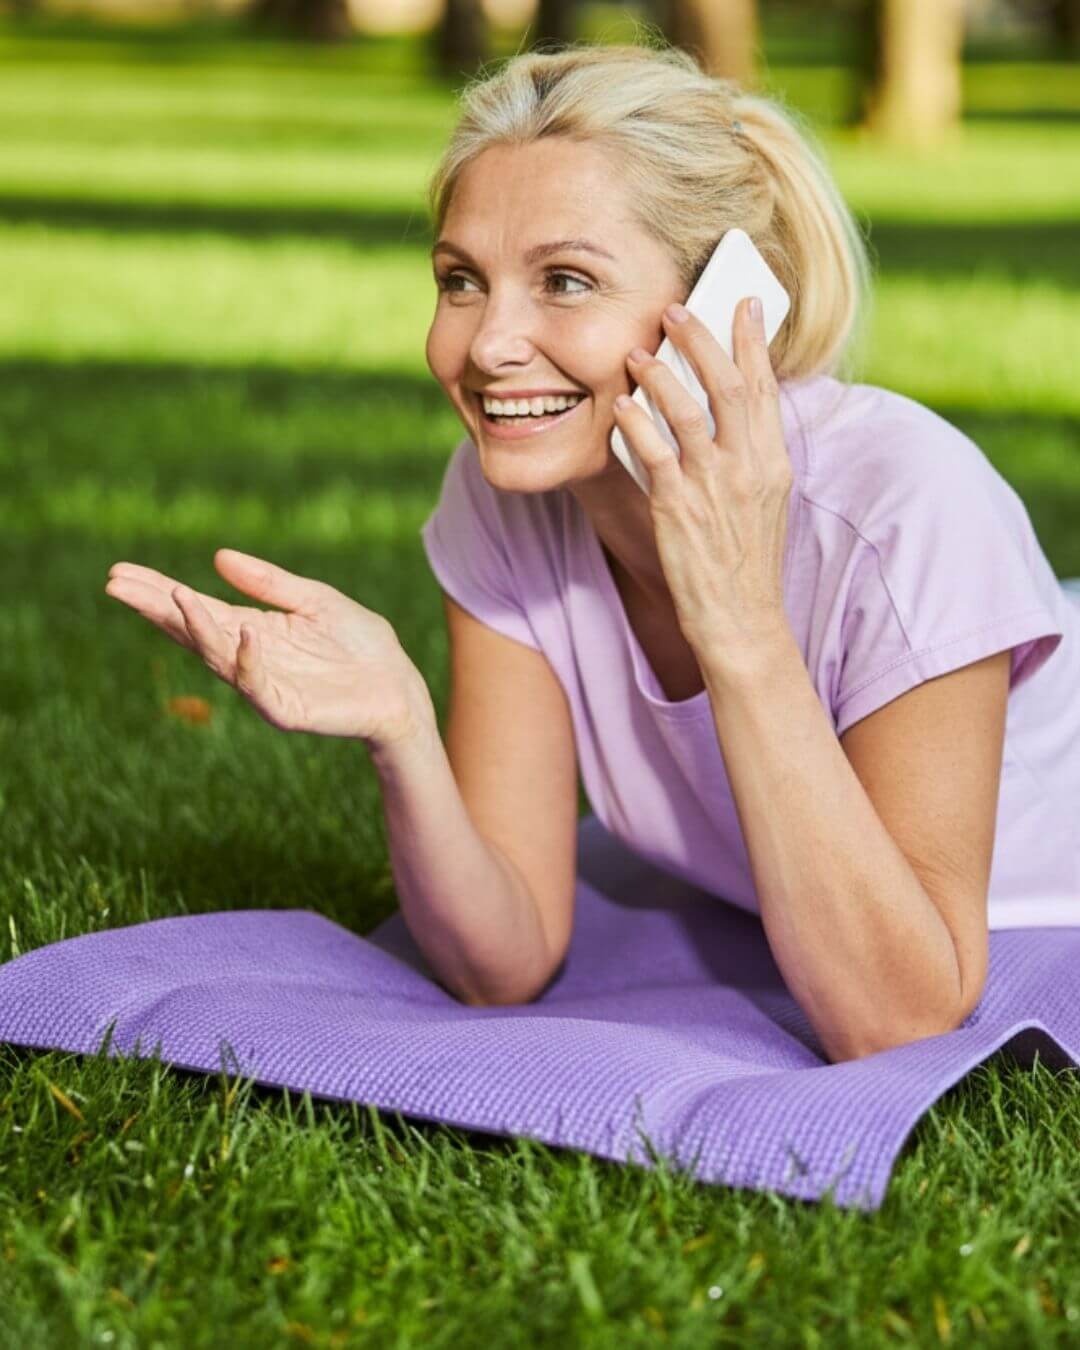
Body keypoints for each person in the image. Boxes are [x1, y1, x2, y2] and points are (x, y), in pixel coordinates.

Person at [105, 40, 1080, 1061]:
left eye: (566, 281)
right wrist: (403, 731)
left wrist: (739, 621)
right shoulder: (506, 499)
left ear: (726, 307)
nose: (489, 345)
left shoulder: (903, 506)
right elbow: (506, 959)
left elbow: (898, 1018)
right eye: (461, 280)